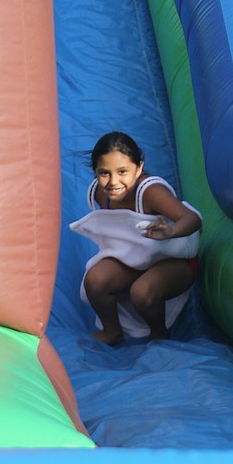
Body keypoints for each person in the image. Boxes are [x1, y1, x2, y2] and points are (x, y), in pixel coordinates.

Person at [77, 131, 201, 344]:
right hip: (137, 259)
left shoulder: (151, 191)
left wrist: (170, 232)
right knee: (95, 280)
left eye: (123, 171)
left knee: (142, 291)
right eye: (104, 173)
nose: (113, 182)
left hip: (174, 262)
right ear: (95, 171)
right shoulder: (100, 193)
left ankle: (160, 334)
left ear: (139, 168)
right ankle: (112, 331)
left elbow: (192, 219)